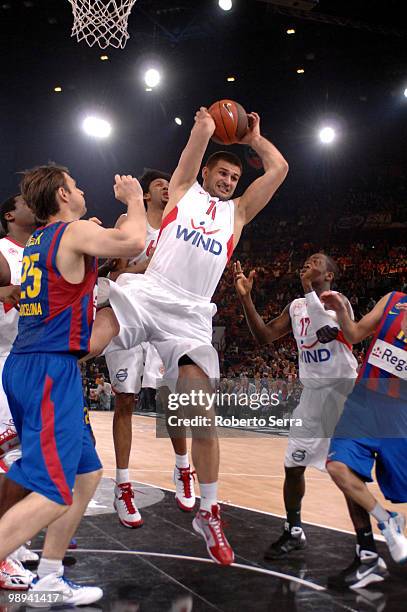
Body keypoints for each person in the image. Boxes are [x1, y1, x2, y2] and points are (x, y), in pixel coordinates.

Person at [90, 107, 288, 564]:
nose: (228, 181)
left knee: (201, 412)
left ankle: (209, 510)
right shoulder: (182, 191)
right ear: (206, 172)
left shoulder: (237, 214)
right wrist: (203, 128)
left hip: (192, 316)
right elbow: (193, 148)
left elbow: (280, 169)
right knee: (89, 342)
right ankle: (23, 415)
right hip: (150, 293)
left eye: (234, 176)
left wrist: (255, 138)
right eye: (222, 172)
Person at [0, 164, 146, 604]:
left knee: (86, 473)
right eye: (77, 185)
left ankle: (48, 574)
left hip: (36, 365)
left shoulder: (39, 242)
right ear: (63, 195)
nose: (82, 189)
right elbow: (136, 243)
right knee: (51, 490)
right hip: (47, 368)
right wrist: (135, 198)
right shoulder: (71, 233)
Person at [234, 254, 388, 588]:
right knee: (293, 466)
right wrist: (246, 298)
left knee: (345, 471)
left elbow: (328, 328)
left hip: (342, 393)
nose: (307, 263)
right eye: (305, 261)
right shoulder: (296, 306)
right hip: (312, 395)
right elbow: (263, 336)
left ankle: (367, 551)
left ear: (329, 275)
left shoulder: (336, 301)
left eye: (315, 261)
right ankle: (294, 530)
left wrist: (308, 290)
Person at [103, 169, 196, 528]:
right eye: (161, 185)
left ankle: (183, 467)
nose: (168, 188)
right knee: (125, 400)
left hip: (164, 316)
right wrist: (150, 265)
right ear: (145, 194)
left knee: (171, 396)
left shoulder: (178, 224)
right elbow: (118, 273)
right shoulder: (129, 220)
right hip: (130, 313)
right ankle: (123, 484)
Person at [319, 289, 407, 570]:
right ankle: (386, 521)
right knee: (338, 467)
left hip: (400, 414)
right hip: (363, 402)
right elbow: (355, 333)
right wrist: (342, 309)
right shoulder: (393, 299)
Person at [0, 194, 39, 590]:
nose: (34, 204)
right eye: (25, 201)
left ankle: (15, 537)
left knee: (26, 455)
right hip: (2, 356)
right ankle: (2, 554)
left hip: (29, 359)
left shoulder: (42, 248)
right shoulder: (3, 250)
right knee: (8, 456)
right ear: (10, 215)